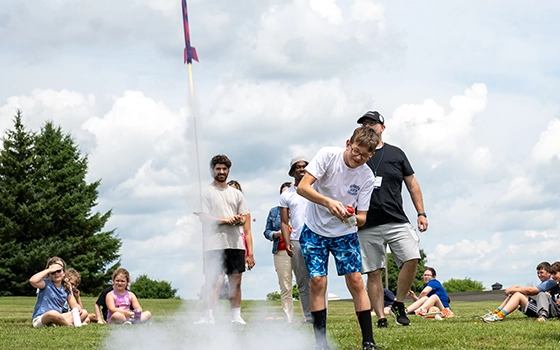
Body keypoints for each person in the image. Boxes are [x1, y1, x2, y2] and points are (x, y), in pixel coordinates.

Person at [297, 126, 380, 350]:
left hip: (345, 234)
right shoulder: (327, 156)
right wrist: (329, 202)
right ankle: (321, 342)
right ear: (348, 143)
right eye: (356, 151)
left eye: (365, 155)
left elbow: (362, 217)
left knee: (355, 280)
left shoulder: (367, 177)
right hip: (314, 230)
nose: (358, 158)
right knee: (317, 282)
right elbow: (302, 188)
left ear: (371, 155)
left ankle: (369, 341)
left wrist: (351, 217)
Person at [356, 110, 428, 327]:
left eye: (372, 123)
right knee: (374, 272)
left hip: (396, 219)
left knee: (412, 257)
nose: (368, 126)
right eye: (364, 123)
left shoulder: (396, 153)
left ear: (382, 128)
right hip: (366, 223)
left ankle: (398, 302)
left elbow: (412, 184)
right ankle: (380, 317)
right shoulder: (357, 155)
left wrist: (421, 213)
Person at [196, 154, 255, 325]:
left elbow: (244, 218)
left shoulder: (236, 194)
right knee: (212, 280)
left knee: (236, 281)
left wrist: (238, 219)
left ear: (229, 170)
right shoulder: (206, 192)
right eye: (218, 169)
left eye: (224, 169)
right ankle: (208, 316)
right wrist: (225, 220)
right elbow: (204, 217)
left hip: (235, 243)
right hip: (213, 244)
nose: (221, 172)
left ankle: (236, 316)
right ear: (212, 170)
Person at [279, 156, 313, 324]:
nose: (301, 169)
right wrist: (287, 242)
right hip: (297, 240)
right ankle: (309, 315)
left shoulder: (317, 188)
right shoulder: (287, 195)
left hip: (316, 238)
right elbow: (284, 223)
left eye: (304, 166)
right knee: (302, 281)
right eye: (297, 167)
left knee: (318, 278)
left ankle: (322, 313)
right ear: (292, 171)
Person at [481, 261, 558, 322]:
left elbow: (531, 290)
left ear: (549, 273)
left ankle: (499, 315)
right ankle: (496, 312)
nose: (539, 275)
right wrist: (515, 288)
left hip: (546, 310)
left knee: (518, 295)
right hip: (545, 308)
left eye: (541, 272)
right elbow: (528, 288)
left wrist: (512, 289)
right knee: (515, 294)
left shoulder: (551, 281)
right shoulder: (546, 282)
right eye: (538, 273)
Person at [264, 181, 294, 322]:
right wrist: (277, 234)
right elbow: (266, 232)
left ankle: (309, 316)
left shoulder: (300, 207)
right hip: (281, 251)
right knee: (285, 286)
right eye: (283, 192)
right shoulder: (274, 211)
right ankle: (288, 317)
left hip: (299, 248)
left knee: (305, 284)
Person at [30, 256, 88, 327]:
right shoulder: (45, 284)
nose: (56, 274)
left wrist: (77, 307)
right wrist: (48, 270)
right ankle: (68, 326)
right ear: (49, 274)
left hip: (59, 316)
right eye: (53, 272)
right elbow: (32, 281)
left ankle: (58, 324)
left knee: (84, 312)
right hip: (42, 317)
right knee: (52, 314)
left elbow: (73, 305)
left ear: (64, 273)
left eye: (59, 271)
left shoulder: (67, 287)